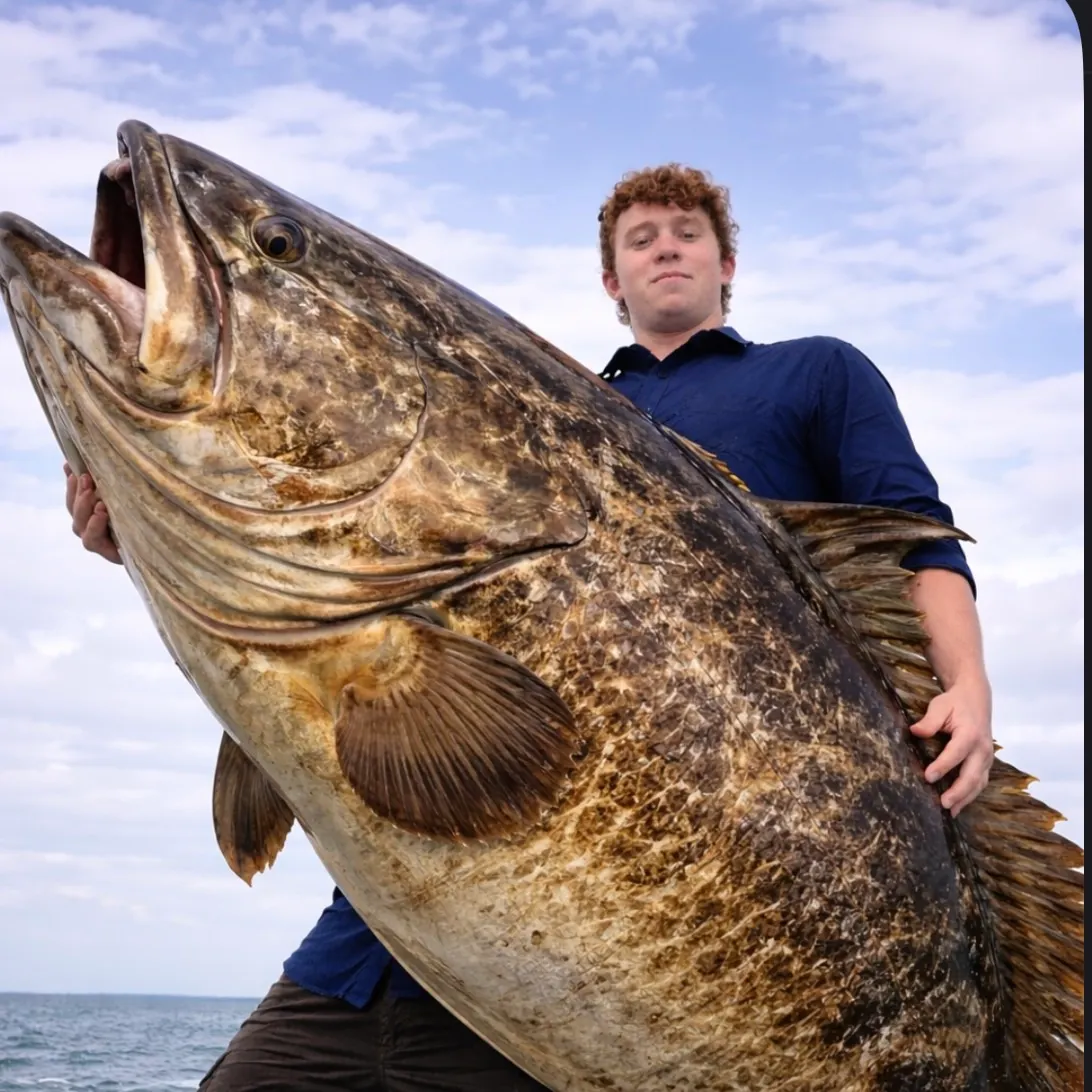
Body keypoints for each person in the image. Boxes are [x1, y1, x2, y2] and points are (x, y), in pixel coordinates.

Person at [64, 163, 993, 1090]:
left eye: (688, 233)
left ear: (728, 264)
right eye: (640, 238)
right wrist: (141, 535)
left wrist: (967, 684)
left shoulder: (815, 372)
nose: (666, 248)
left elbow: (915, 538)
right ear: (611, 280)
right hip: (389, 928)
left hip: (622, 937)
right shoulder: (538, 401)